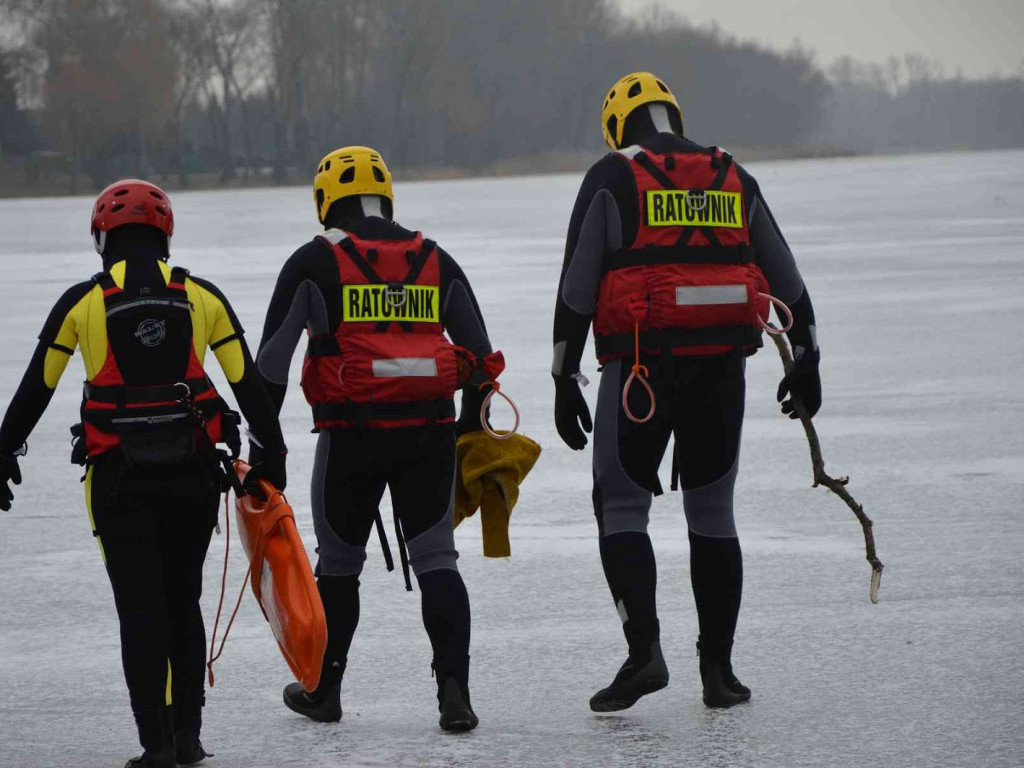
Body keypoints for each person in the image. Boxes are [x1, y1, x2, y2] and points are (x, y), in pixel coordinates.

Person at [551, 72, 822, 711]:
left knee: (621, 508)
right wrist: (809, 359)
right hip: (722, 371)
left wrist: (564, 377)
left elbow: (576, 290)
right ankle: (719, 674)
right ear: (674, 114)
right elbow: (788, 281)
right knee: (713, 513)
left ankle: (644, 653)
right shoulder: (732, 175)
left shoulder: (612, 176)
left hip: (639, 372)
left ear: (618, 127)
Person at [0, 179, 288, 768]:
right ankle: (188, 736)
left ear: (101, 236)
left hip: (117, 483)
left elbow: (36, 389)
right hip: (192, 478)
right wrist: (272, 457)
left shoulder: (82, 302)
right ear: (166, 234)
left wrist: (3, 453)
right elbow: (248, 386)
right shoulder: (202, 297)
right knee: (183, 601)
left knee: (139, 608)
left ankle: (154, 743)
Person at [254, 146, 502, 731]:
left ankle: (324, 692)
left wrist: (268, 451)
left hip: (350, 438)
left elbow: (270, 366)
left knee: (339, 566)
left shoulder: (312, 261)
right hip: (429, 435)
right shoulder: (434, 258)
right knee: (438, 560)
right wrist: (469, 427)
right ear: (387, 197)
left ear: (325, 202)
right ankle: (455, 696)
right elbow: (482, 360)